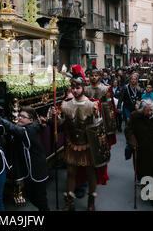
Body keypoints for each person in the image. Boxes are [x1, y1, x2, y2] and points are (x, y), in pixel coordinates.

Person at [51, 77, 110, 211]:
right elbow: (60, 124)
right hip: (72, 144)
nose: (75, 90)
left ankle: (91, 202)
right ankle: (70, 203)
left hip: (88, 145)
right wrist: (54, 116)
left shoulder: (92, 105)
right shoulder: (65, 104)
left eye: (78, 87)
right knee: (71, 173)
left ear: (83, 87)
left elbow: (99, 127)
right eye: (73, 87)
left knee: (91, 173)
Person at [3, 106, 49, 211]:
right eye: (19, 115)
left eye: (23, 117)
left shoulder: (29, 130)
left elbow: (12, 128)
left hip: (37, 170)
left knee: (41, 200)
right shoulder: (31, 126)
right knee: (31, 196)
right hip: (29, 170)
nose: (19, 118)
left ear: (30, 120)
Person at [125, 99, 153, 207]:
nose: (149, 113)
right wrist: (133, 142)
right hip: (142, 149)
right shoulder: (135, 117)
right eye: (147, 110)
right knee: (144, 172)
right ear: (142, 110)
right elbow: (128, 130)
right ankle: (146, 193)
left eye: (151, 110)